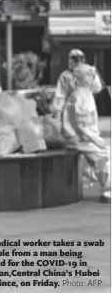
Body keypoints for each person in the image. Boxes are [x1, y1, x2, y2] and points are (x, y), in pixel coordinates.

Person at [51, 55, 110, 203]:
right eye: (92, 76)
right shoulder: (81, 97)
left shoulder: (82, 94)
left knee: (95, 158)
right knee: (103, 156)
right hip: (80, 138)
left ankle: (93, 177)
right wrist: (96, 140)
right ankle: (108, 190)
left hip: (77, 136)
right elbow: (83, 125)